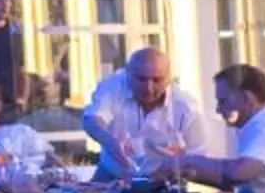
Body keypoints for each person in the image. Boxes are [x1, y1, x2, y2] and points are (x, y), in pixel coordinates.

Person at [163, 63, 265, 193]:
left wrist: (187, 162)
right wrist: (187, 171)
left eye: (223, 101)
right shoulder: (259, 124)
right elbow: (233, 180)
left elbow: (239, 173)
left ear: (246, 98)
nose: (218, 109)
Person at [82, 47, 208, 180]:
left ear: (168, 79)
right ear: (127, 74)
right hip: (112, 173)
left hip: (165, 178)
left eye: (157, 80)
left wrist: (177, 166)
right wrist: (108, 141)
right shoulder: (112, 87)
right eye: (141, 79)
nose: (149, 88)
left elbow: (199, 156)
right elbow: (92, 119)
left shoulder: (186, 106)